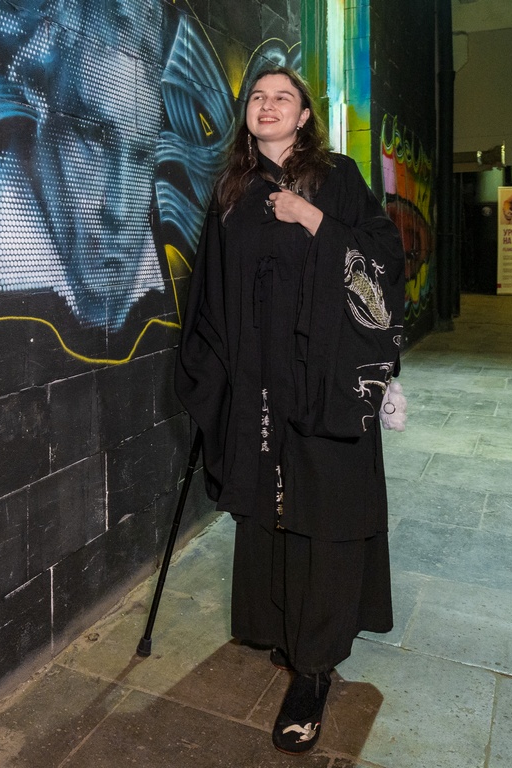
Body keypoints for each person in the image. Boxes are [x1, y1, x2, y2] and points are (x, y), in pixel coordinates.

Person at [174, 67, 405, 755]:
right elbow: (211, 291)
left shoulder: (336, 179)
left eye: (283, 97)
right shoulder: (232, 191)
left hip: (324, 379)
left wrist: (314, 221)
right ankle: (282, 629)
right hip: (258, 387)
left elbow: (385, 260)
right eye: (258, 97)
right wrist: (210, 376)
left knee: (326, 512)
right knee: (271, 507)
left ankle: (314, 667)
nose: (268, 105)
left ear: (304, 116)